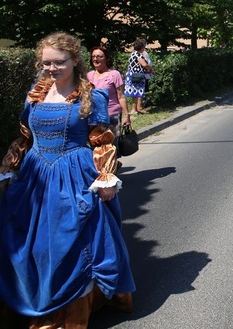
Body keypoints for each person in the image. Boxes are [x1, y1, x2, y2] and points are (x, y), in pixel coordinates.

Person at [0, 32, 135, 327]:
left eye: (59, 62)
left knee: (74, 244)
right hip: (35, 177)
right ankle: (39, 300)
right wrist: (9, 168)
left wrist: (106, 175)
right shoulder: (35, 93)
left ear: (75, 60)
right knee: (31, 244)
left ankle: (72, 314)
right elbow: (25, 136)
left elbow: (102, 140)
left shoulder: (92, 95)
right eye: (46, 63)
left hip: (74, 174)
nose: (52, 68)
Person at [87, 46, 130, 140]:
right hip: (95, 117)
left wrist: (127, 115)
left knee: (113, 147)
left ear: (106, 58)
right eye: (93, 56)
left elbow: (121, 96)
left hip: (112, 116)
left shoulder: (114, 74)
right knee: (97, 148)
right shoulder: (89, 75)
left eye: (99, 56)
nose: (95, 59)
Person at [124, 38, 153, 114]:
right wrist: (151, 69)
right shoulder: (138, 54)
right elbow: (144, 64)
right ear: (142, 47)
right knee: (138, 92)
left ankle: (134, 109)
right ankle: (137, 108)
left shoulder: (133, 53)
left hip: (132, 75)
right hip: (137, 75)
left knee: (135, 93)